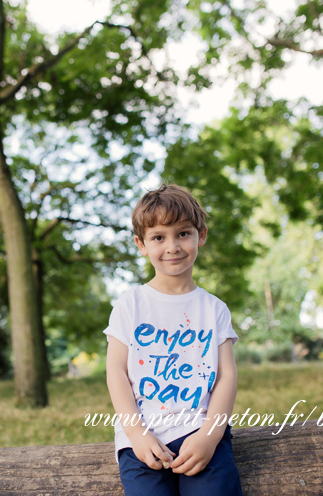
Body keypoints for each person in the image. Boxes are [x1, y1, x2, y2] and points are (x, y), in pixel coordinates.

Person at [104, 183, 243, 496]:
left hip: (200, 430)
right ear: (141, 244)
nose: (173, 246)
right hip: (142, 439)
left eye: (183, 233)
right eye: (158, 237)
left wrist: (210, 435)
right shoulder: (131, 305)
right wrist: (137, 435)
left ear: (201, 235)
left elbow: (226, 377)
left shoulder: (214, 309)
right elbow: (116, 373)